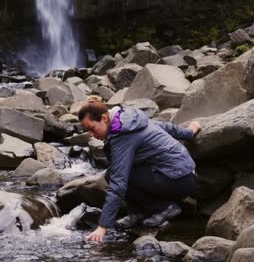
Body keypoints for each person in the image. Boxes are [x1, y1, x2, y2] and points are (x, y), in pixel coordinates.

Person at [78, 100, 201, 243]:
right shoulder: (129, 120)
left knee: (115, 174)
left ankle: (164, 208)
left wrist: (102, 226)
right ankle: (138, 213)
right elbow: (163, 126)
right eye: (87, 130)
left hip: (177, 180)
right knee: (114, 172)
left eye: (92, 128)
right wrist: (188, 132)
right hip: (184, 175)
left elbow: (119, 183)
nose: (91, 134)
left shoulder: (122, 136)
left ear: (105, 118)